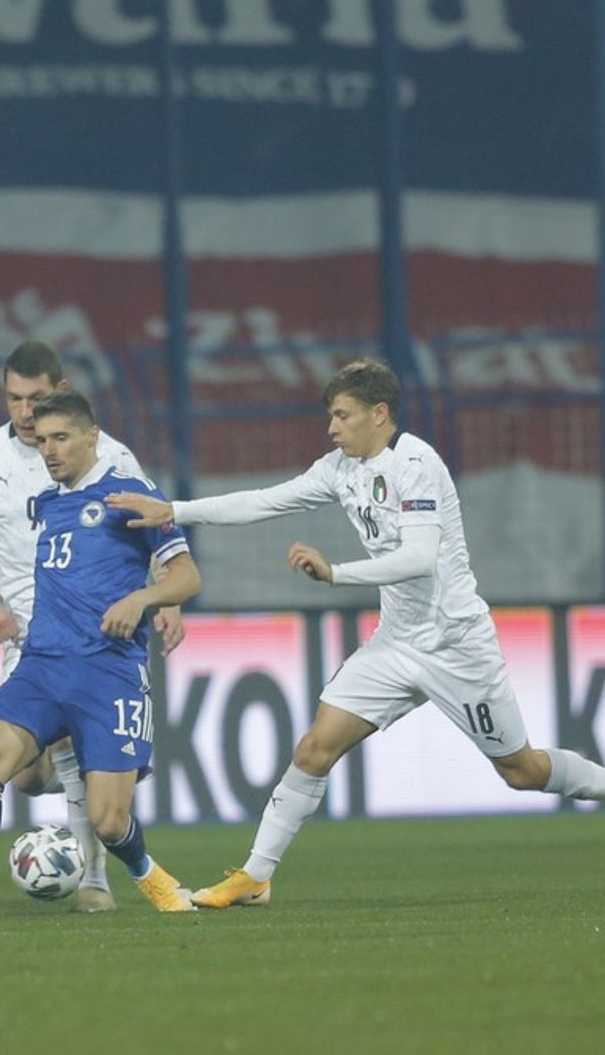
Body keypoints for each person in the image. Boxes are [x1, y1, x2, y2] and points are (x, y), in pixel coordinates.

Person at [106, 357, 605, 908]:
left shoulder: (418, 464)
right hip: (396, 643)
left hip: (456, 645)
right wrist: (175, 510)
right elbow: (266, 501)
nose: (332, 427)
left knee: (522, 770)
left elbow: (418, 558)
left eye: (342, 416)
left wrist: (336, 573)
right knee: (315, 748)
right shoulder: (339, 468)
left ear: (379, 413)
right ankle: (255, 876)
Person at [0, 390, 201, 920]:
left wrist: (143, 598)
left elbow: (187, 576)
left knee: (110, 822)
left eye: (62, 439)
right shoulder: (46, 501)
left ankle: (149, 876)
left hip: (108, 671)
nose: (51, 452)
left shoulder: (131, 496)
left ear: (93, 436)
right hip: (42, 663)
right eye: (43, 442)